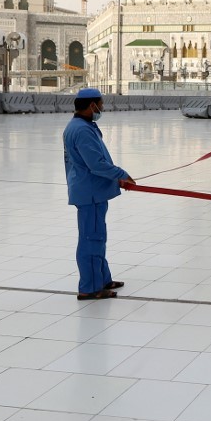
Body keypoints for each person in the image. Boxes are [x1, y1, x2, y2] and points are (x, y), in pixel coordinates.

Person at [63, 88, 134, 300]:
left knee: (97, 237)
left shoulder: (82, 126)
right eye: (101, 104)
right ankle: (90, 287)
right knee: (91, 239)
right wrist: (121, 175)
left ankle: (102, 279)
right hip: (90, 193)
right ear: (91, 105)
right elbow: (96, 164)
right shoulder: (82, 130)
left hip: (92, 190)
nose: (102, 108)